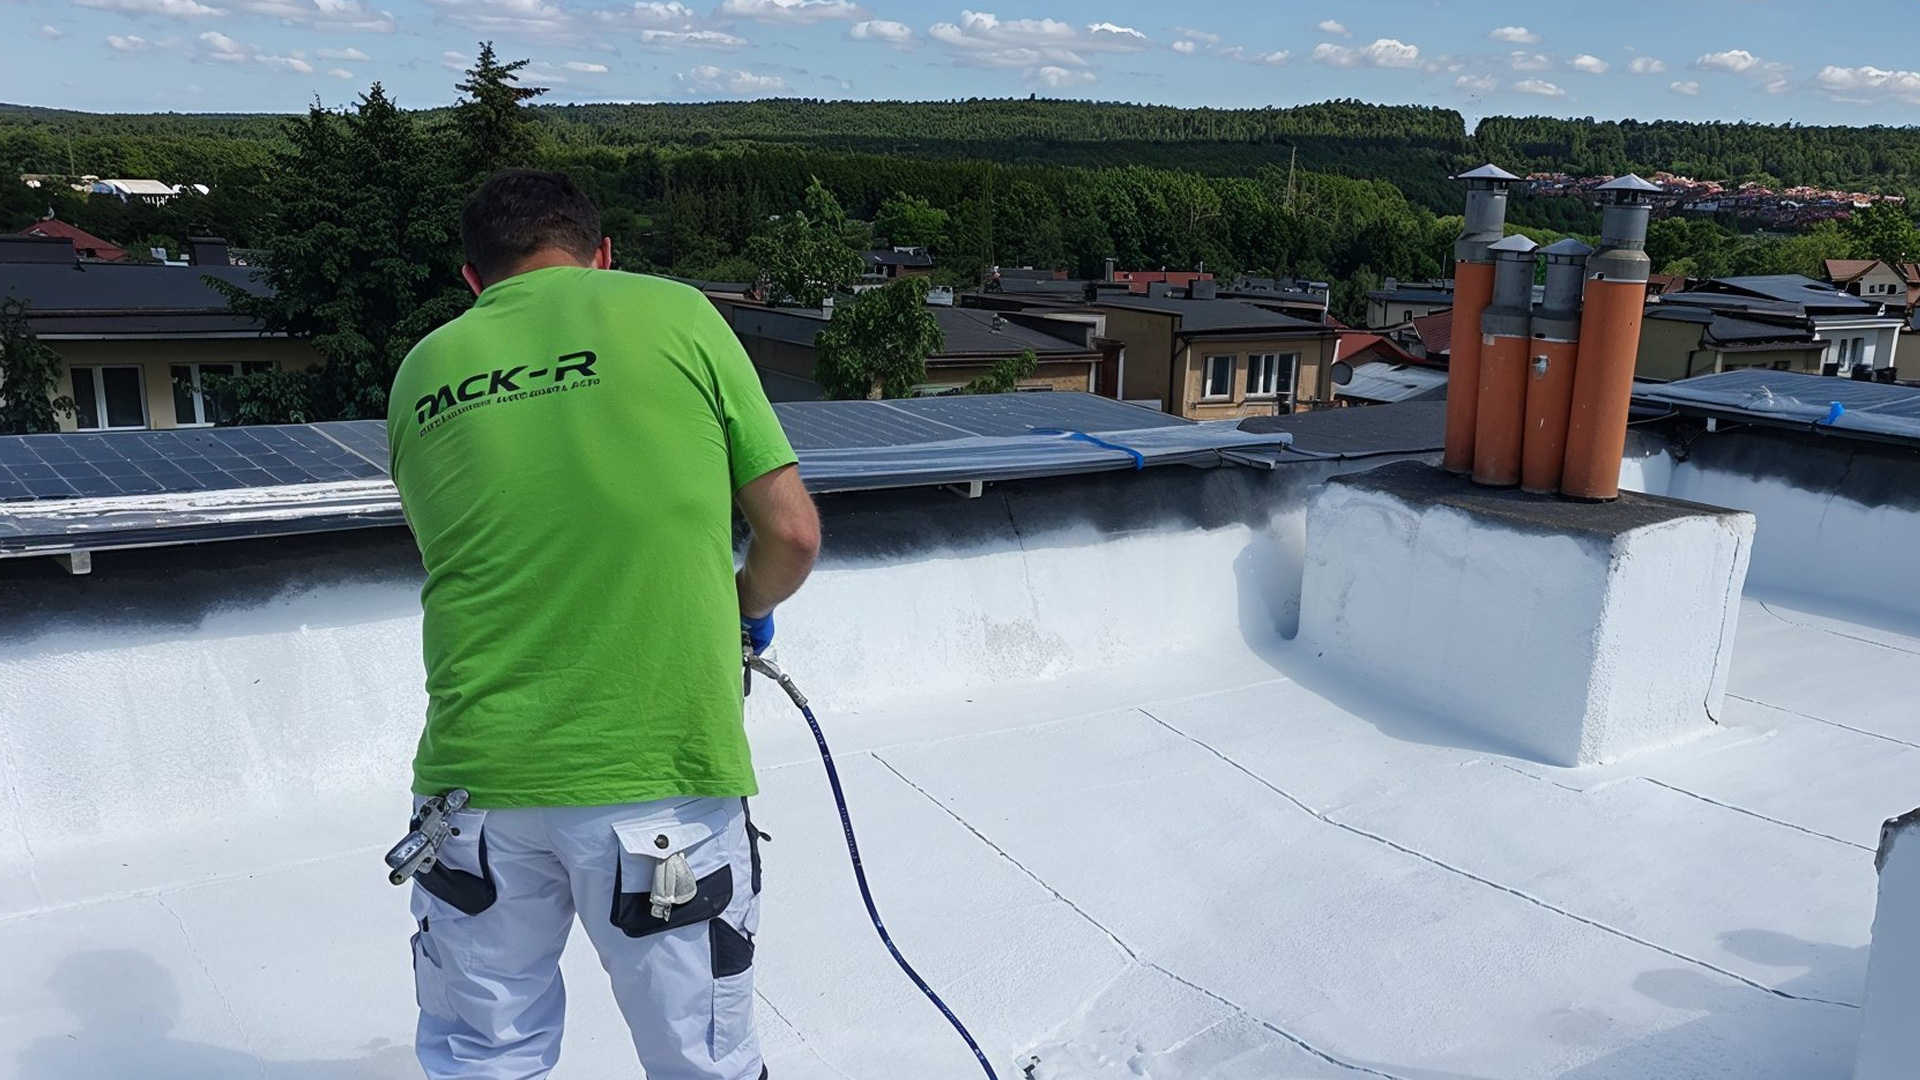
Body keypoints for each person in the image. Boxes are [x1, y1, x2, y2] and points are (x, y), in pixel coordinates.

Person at [385, 168, 820, 1080]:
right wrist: (744, 611)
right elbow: (790, 535)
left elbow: (481, 557)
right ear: (603, 255)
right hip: (656, 780)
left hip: (473, 792)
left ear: (473, 278)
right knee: (701, 1061)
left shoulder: (421, 370)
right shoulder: (677, 315)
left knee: (484, 1059)